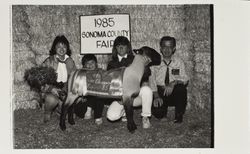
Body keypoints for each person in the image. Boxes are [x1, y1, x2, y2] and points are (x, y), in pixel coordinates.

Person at [106, 36, 153, 129]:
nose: (121, 48)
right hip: (120, 97)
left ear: (128, 47)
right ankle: (124, 111)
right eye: (118, 46)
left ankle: (145, 117)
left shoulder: (135, 59)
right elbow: (110, 84)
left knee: (147, 90)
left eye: (123, 45)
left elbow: (147, 74)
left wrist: (145, 66)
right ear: (115, 48)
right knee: (111, 116)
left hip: (136, 95)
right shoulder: (111, 64)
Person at [149, 36, 189, 123]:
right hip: (160, 91)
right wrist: (156, 96)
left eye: (170, 47)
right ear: (160, 48)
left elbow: (185, 78)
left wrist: (173, 83)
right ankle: (162, 113)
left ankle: (178, 116)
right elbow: (151, 80)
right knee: (158, 113)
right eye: (164, 47)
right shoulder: (155, 62)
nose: (167, 50)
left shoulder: (179, 62)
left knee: (181, 89)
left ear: (174, 48)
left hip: (173, 91)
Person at [74, 54, 104, 125]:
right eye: (87, 63)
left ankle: (97, 116)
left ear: (96, 64)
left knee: (100, 96)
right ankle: (88, 108)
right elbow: (76, 89)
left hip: (95, 97)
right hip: (83, 99)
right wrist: (80, 97)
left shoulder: (101, 73)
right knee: (79, 111)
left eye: (92, 63)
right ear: (84, 66)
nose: (90, 65)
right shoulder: (80, 74)